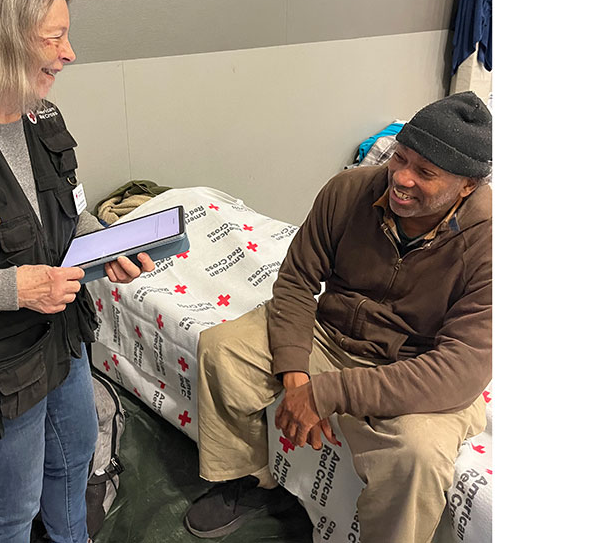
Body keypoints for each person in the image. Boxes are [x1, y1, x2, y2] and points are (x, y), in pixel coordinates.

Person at [184, 92, 492, 543]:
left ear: (467, 186)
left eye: (425, 173)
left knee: (418, 454)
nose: (401, 179)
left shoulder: (492, 242)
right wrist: (295, 376)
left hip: (415, 364)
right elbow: (295, 282)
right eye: (400, 158)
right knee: (222, 349)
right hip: (332, 334)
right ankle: (247, 480)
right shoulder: (348, 191)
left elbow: (462, 369)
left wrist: (328, 393)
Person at [0, 0, 154, 543]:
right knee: (12, 505)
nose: (70, 54)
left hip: (59, 340)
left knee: (76, 457)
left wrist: (105, 246)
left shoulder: (40, 116)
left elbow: (65, 216)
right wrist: (13, 287)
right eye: (53, 38)